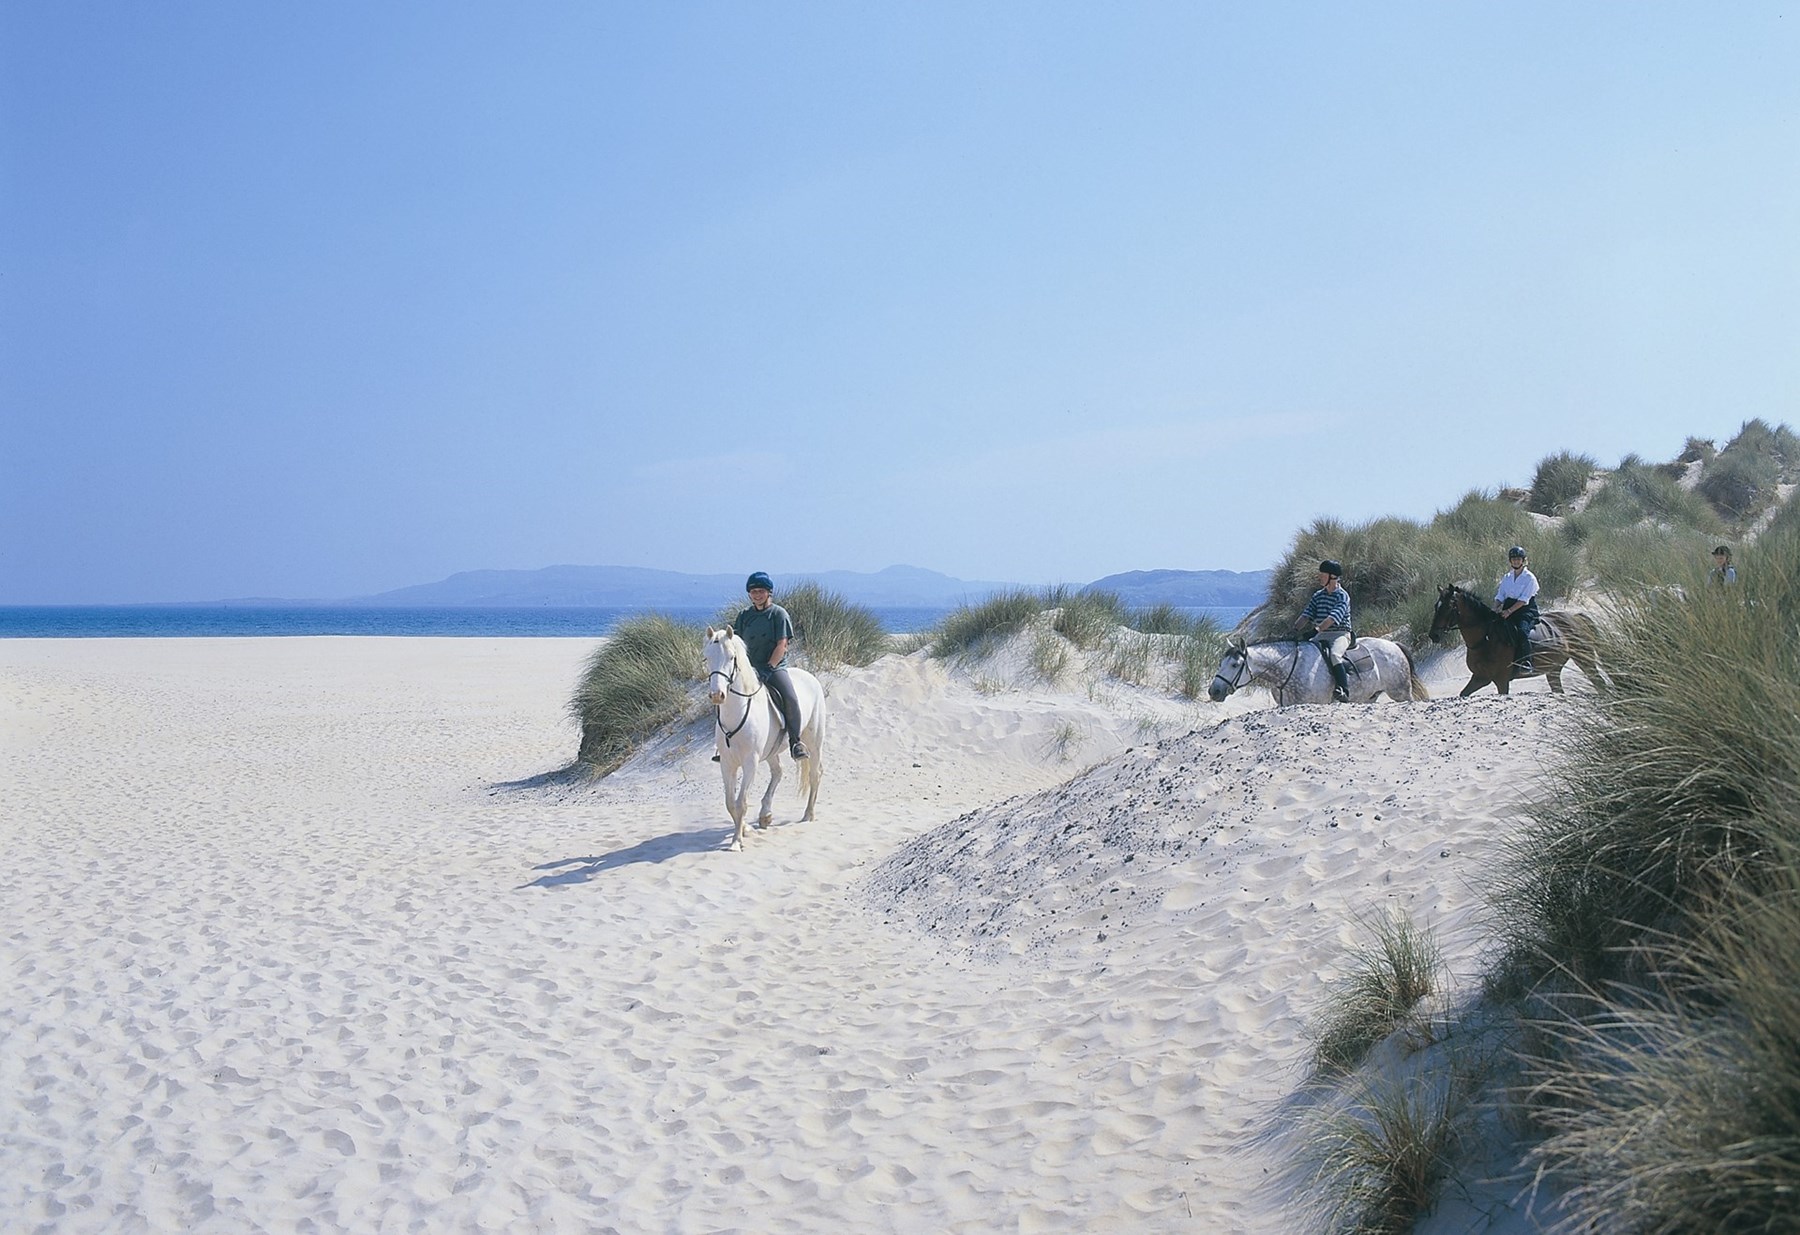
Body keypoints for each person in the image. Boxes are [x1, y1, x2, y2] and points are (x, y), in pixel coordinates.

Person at [733, 571, 808, 759]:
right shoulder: (744, 616)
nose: (757, 595)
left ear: (769, 592)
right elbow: (736, 643)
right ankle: (725, 744)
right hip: (749, 669)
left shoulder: (778, 614)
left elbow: (782, 644)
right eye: (753, 591)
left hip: (773, 668)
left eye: (761, 591)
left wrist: (768, 667)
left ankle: (795, 742)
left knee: (790, 697)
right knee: (725, 696)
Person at [1294, 559, 1353, 702]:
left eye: (1323, 574)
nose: (1319, 577)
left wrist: (1316, 630)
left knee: (1334, 655)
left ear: (1332, 577)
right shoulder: (1318, 596)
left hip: (1340, 634)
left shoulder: (1342, 596)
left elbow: (1333, 618)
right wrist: (1295, 629)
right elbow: (1306, 614)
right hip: (1322, 634)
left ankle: (1343, 690)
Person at [1495, 546, 1540, 674]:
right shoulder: (1507, 577)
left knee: (1522, 632)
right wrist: (1495, 607)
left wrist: (1509, 611)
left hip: (1524, 610)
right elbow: (1501, 595)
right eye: (1513, 559)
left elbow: (1524, 600)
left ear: (1523, 560)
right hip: (1508, 608)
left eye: (1518, 559)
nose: (1516, 561)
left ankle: (1527, 662)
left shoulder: (1529, 578)